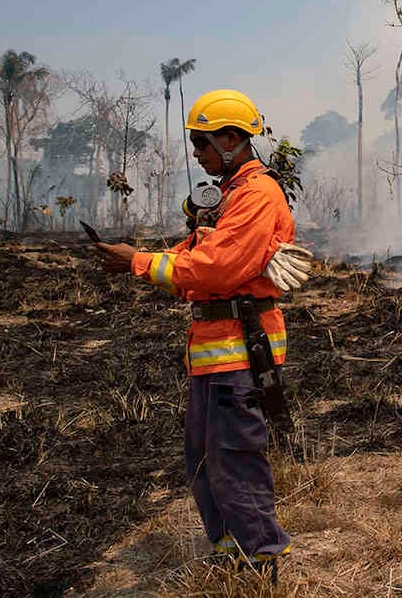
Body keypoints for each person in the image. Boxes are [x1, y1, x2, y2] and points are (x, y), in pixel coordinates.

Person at [95, 88, 312, 579]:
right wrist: (139, 263)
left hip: (243, 347)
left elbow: (216, 269)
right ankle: (229, 548)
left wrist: (139, 261)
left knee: (235, 454)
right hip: (215, 349)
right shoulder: (231, 196)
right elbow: (193, 260)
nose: (196, 153)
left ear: (232, 139)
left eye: (202, 142)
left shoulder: (257, 195)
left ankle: (262, 559)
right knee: (203, 455)